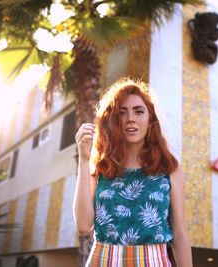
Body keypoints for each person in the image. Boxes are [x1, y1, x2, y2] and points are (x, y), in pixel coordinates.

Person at [73, 78, 192, 266]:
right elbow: (83, 225)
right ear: (113, 120)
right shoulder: (100, 168)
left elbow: (180, 234)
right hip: (103, 260)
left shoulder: (169, 169)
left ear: (150, 120)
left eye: (139, 111)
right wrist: (84, 160)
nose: (131, 119)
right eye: (122, 113)